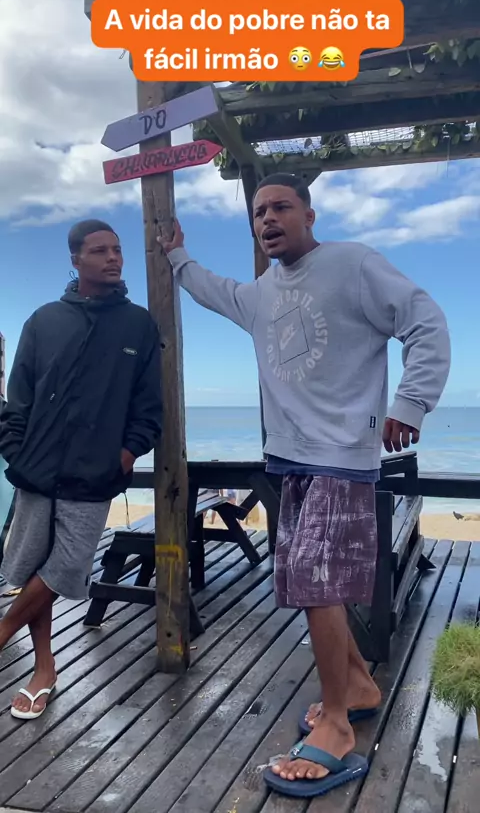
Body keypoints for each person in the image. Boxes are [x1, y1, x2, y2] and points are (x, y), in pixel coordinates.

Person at [158, 174, 450, 798]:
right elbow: (213, 291)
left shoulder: (353, 265)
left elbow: (425, 321)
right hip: (289, 459)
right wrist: (177, 256)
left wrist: (411, 402)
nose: (267, 219)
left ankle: (337, 723)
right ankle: (360, 687)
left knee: (319, 585)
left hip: (343, 455)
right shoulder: (261, 294)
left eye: (281, 207)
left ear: (309, 215)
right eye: (258, 211)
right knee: (305, 584)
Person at [0, 219, 162, 720]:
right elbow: (17, 399)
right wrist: (15, 451)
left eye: (117, 249)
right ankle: (44, 670)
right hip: (37, 469)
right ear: (75, 260)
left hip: (94, 476)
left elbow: (148, 405)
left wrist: (127, 453)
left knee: (65, 568)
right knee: (34, 569)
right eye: (100, 251)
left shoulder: (138, 324)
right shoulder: (44, 320)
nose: (113, 258)